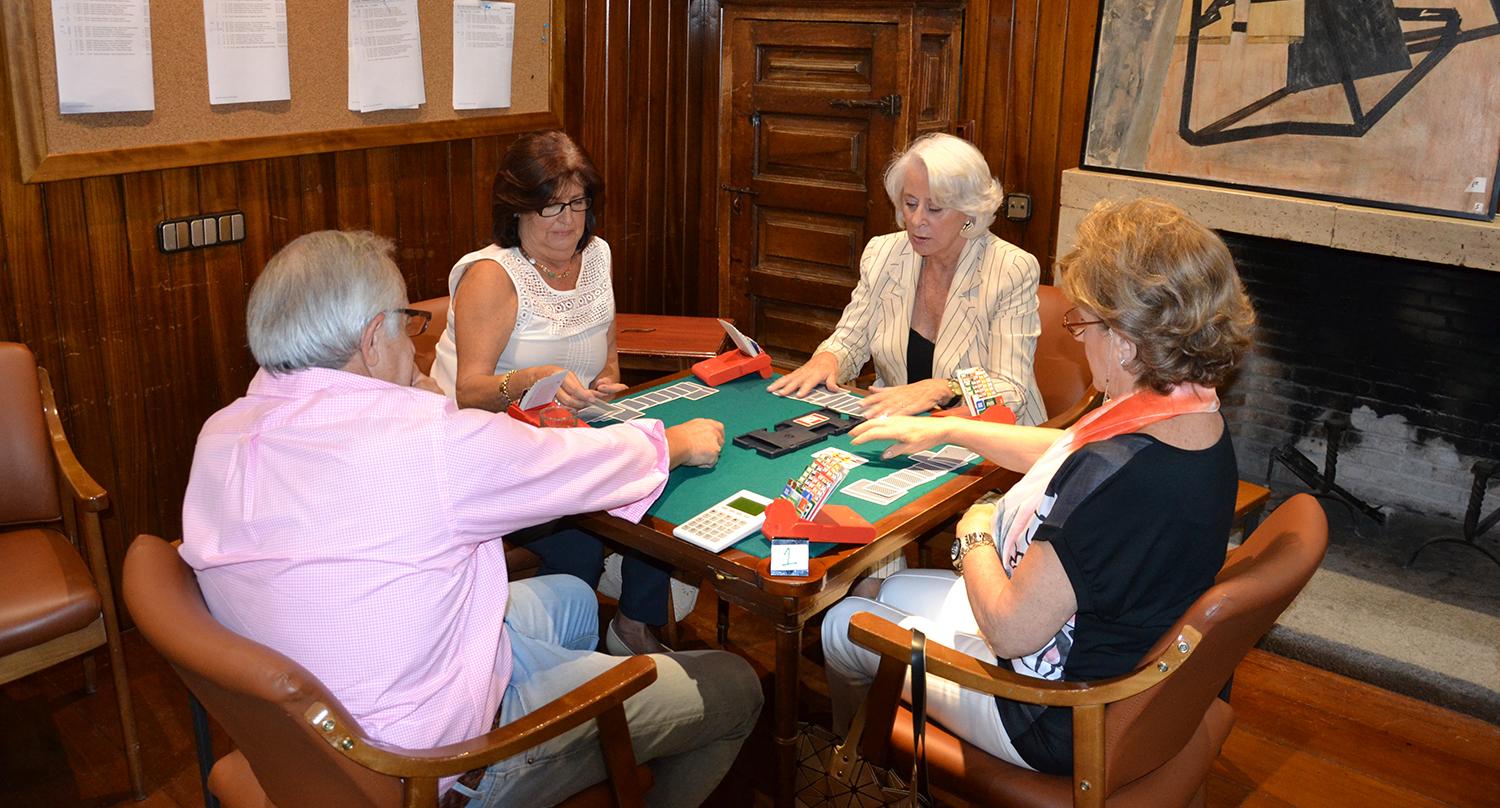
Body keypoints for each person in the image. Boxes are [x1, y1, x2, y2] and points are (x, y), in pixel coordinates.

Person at [181, 230, 762, 808]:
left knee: (574, 600)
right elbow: (567, 465)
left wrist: (412, 393)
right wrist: (674, 443)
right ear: (369, 340)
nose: (418, 345)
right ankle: (591, 755)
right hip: (433, 761)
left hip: (313, 731)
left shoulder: (220, 433)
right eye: (407, 325)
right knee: (735, 687)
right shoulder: (429, 445)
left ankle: (601, 746)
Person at [819, 197, 1255, 775]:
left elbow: (1010, 628)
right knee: (874, 596)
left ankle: (861, 766)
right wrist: (950, 427)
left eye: (1085, 322)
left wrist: (974, 529)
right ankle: (871, 741)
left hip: (1054, 714)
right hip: (1119, 661)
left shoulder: (1113, 481)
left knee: (841, 623)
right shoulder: (1191, 418)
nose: (1079, 339)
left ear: (1125, 341)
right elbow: (1065, 451)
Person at [432, 130, 682, 656]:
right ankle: (568, 658)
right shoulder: (492, 275)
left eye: (577, 203)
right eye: (550, 207)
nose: (567, 221)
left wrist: (606, 384)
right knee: (580, 530)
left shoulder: (597, 256)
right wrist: (531, 380)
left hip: (565, 435)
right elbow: (468, 391)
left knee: (663, 474)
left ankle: (634, 622)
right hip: (487, 445)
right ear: (517, 209)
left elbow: (606, 349)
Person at [769, 132, 1044, 426]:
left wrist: (943, 388)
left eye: (934, 208)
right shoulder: (883, 252)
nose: (916, 220)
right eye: (910, 204)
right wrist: (829, 359)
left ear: (970, 211)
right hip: (899, 428)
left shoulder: (1011, 269)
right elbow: (850, 340)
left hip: (987, 440)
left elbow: (1012, 390)